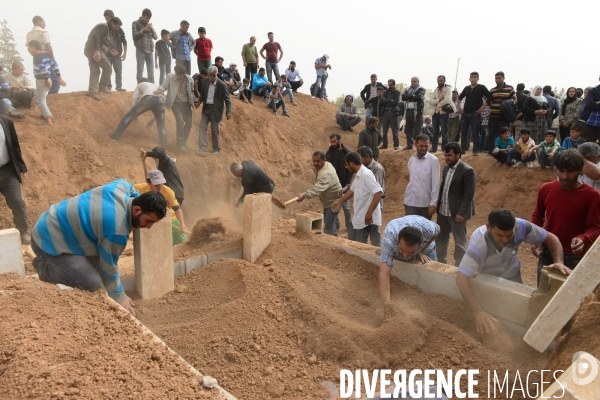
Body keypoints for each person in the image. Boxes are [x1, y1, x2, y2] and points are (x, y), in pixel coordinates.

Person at [31, 181, 168, 316]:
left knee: (98, 270)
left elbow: (130, 186)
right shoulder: (116, 230)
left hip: (52, 223)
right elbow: (109, 267)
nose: (149, 226)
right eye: (149, 221)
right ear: (136, 209)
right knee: (91, 281)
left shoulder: (120, 188)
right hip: (46, 241)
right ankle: (44, 268)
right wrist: (120, 296)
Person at [456, 208, 569, 335]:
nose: (505, 240)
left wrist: (559, 261)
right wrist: (478, 312)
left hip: (512, 272)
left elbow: (550, 237)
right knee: (492, 309)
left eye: (509, 235)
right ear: (488, 227)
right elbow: (461, 277)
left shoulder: (521, 226)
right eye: (499, 235)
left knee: (517, 309)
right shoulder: (478, 245)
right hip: (488, 277)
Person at [532, 149, 600, 284]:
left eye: (570, 171)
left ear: (580, 170)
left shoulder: (592, 195)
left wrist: (583, 238)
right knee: (542, 295)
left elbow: (595, 227)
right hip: (547, 252)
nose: (565, 176)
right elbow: (538, 216)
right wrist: (536, 237)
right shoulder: (546, 189)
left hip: (576, 257)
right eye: (561, 171)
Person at [378, 216, 440, 303]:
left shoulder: (428, 229)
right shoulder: (389, 239)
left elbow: (438, 229)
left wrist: (421, 251)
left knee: (435, 280)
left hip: (427, 249)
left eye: (411, 252)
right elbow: (384, 274)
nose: (405, 256)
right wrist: (387, 304)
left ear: (419, 243)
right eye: (402, 250)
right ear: (398, 239)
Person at [435, 142, 475, 266]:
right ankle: (441, 262)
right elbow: (444, 187)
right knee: (441, 238)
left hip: (457, 213)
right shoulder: (446, 167)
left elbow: (468, 195)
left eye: (450, 155)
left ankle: (460, 266)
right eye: (445, 155)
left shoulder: (468, 171)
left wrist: (461, 213)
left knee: (460, 241)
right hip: (443, 211)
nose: (447, 158)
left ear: (458, 155)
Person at [332, 151, 382, 246]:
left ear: (351, 163)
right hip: (361, 216)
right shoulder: (358, 175)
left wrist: (369, 212)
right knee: (357, 242)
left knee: (364, 246)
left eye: (347, 165)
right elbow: (352, 190)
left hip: (369, 217)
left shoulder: (366, 174)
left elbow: (378, 193)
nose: (347, 167)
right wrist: (339, 201)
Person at [134, 170, 188, 245]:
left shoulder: (168, 191)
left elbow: (177, 208)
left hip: (170, 220)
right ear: (148, 182)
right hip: (151, 221)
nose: (160, 187)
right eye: (156, 185)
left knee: (182, 244)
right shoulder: (139, 188)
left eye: (161, 184)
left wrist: (182, 224)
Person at [110, 78, 167, 148]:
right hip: (161, 101)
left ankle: (115, 136)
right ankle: (164, 146)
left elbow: (135, 98)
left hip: (148, 99)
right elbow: (159, 105)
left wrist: (134, 113)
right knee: (161, 125)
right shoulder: (156, 85)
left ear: (141, 82)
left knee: (128, 116)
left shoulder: (140, 84)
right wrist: (152, 119)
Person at [296, 151, 342, 236]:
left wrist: (304, 195)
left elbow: (317, 189)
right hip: (333, 200)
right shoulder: (327, 164)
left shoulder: (325, 173)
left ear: (324, 160)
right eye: (314, 161)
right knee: (332, 221)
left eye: (318, 161)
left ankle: (331, 244)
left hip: (332, 202)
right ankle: (335, 236)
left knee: (328, 226)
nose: (315, 163)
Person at [0, 115, 30, 244]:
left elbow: (15, 145)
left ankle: (23, 231)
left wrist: (21, 167)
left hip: (8, 171)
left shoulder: (6, 122)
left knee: (17, 202)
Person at [155, 65, 195, 151]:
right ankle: (180, 143)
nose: (179, 77)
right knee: (180, 121)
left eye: (181, 75)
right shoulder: (170, 77)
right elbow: (164, 85)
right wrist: (160, 89)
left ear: (184, 74)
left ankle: (183, 142)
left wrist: (194, 100)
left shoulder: (190, 79)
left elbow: (192, 92)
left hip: (186, 104)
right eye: (178, 75)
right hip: (176, 104)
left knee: (189, 123)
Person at [28, 40, 66, 125]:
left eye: (29, 48)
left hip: (42, 80)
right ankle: (45, 114)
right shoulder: (47, 55)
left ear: (33, 47)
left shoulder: (36, 57)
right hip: (49, 79)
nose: (29, 50)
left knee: (39, 100)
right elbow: (55, 66)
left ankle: (47, 120)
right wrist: (60, 78)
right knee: (40, 98)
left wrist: (45, 80)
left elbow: (42, 68)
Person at [196, 66, 232, 155]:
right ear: (208, 74)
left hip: (216, 110)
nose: (212, 76)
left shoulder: (222, 85)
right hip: (206, 108)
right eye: (210, 75)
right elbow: (203, 94)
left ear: (216, 74)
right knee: (202, 127)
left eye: (214, 75)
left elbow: (228, 100)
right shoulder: (205, 81)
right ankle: (203, 147)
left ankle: (216, 148)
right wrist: (199, 101)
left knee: (215, 130)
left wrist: (228, 111)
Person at [404, 134, 440, 219]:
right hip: (410, 202)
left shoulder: (433, 161)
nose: (424, 148)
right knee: (410, 229)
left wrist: (433, 203)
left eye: (426, 146)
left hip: (425, 204)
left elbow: (436, 183)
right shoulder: (411, 160)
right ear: (415, 144)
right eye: (421, 146)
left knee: (424, 231)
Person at [84, 18, 121, 101]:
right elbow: (96, 36)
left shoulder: (108, 30)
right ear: (112, 23)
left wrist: (109, 50)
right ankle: (102, 87)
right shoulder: (104, 28)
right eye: (117, 27)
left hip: (89, 49)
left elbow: (101, 42)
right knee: (108, 68)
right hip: (93, 50)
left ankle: (92, 91)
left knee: (95, 70)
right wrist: (97, 51)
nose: (117, 29)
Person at [457, 72, 492, 154]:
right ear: (469, 79)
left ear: (478, 78)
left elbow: (490, 97)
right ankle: (463, 150)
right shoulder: (466, 88)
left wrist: (482, 108)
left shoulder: (481, 87)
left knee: (475, 133)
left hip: (475, 114)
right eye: (471, 77)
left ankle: (475, 150)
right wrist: (459, 107)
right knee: (464, 133)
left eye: (475, 77)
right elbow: (460, 97)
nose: (473, 79)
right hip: (465, 114)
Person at [326, 133, 353, 239]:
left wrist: (347, 185)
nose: (333, 144)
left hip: (344, 184)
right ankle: (336, 226)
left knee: (346, 208)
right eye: (331, 142)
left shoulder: (347, 153)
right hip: (332, 185)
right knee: (334, 207)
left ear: (339, 140)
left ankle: (349, 226)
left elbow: (350, 171)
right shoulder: (329, 152)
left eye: (334, 141)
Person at [26, 16, 60, 95]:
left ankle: (44, 100)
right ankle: (51, 101)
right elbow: (48, 45)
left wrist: (35, 55)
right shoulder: (43, 32)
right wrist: (52, 59)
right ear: (39, 22)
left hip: (36, 57)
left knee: (41, 79)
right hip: (45, 56)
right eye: (43, 22)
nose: (45, 24)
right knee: (55, 81)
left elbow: (28, 48)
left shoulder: (29, 34)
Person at [487, 72, 515, 154]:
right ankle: (491, 151)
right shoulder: (492, 90)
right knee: (491, 134)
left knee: (505, 134)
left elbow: (515, 100)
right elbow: (488, 101)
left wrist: (507, 106)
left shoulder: (510, 89)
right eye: (496, 78)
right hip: (493, 115)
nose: (497, 80)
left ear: (503, 78)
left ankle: (506, 151)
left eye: (499, 78)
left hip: (504, 117)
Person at [428, 75, 454, 153]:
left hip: (444, 113)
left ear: (444, 80)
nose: (439, 82)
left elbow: (447, 100)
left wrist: (437, 103)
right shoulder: (436, 90)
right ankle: (434, 148)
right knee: (435, 132)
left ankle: (444, 149)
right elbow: (431, 101)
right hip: (435, 113)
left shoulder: (448, 88)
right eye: (438, 81)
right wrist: (439, 100)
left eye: (441, 81)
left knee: (444, 132)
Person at [104, 10, 127, 92]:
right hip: (107, 54)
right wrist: (109, 50)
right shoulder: (105, 28)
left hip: (117, 55)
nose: (107, 20)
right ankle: (107, 87)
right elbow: (102, 42)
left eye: (109, 18)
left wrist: (124, 54)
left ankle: (119, 87)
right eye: (106, 19)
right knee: (108, 71)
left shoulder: (119, 29)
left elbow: (124, 42)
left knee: (118, 71)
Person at [132, 9, 157, 84]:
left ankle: (152, 88)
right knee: (140, 71)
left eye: (149, 18)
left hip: (150, 51)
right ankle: (139, 87)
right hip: (140, 50)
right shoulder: (135, 23)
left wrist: (152, 29)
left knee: (151, 72)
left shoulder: (149, 24)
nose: (148, 20)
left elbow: (155, 37)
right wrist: (143, 30)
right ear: (142, 16)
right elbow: (135, 36)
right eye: (146, 18)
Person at [402, 77, 426, 151]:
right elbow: (403, 97)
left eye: (414, 81)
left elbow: (419, 97)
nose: (413, 82)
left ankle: (419, 146)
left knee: (417, 130)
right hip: (408, 111)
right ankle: (409, 145)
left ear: (418, 81)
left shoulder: (421, 89)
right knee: (408, 129)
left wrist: (408, 97)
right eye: (412, 81)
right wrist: (412, 96)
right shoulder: (408, 89)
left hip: (417, 112)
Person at [357, 145, 385, 210]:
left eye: (360, 158)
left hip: (375, 206)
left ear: (367, 157)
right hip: (366, 203)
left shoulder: (377, 169)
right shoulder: (363, 167)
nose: (359, 160)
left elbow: (377, 191)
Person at [380, 79, 403, 150]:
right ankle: (384, 145)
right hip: (386, 112)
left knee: (394, 130)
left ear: (394, 84)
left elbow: (396, 102)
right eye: (388, 85)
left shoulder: (397, 92)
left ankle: (396, 145)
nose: (389, 86)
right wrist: (390, 100)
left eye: (391, 85)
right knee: (384, 130)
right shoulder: (385, 92)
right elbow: (382, 101)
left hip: (394, 112)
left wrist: (386, 101)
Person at [579, 77, 600, 143]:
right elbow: (589, 104)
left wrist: (597, 102)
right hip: (589, 119)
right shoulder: (593, 90)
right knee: (588, 142)